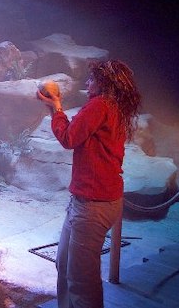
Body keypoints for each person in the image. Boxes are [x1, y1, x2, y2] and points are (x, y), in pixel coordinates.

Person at [37, 59, 142, 308]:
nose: (87, 82)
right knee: (65, 264)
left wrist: (56, 107)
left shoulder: (101, 105)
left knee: (81, 280)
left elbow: (69, 137)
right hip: (88, 201)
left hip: (93, 205)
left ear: (104, 83)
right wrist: (55, 108)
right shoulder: (113, 107)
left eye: (92, 78)